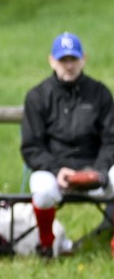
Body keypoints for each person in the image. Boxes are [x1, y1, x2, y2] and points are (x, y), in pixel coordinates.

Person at [20, 32, 114, 256]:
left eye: (73, 59)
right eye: (63, 60)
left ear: (84, 59)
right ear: (52, 61)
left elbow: (111, 139)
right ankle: (46, 243)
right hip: (55, 170)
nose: (69, 65)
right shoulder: (37, 96)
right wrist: (56, 170)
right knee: (42, 190)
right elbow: (31, 147)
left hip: (94, 167)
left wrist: (98, 171)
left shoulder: (100, 93)